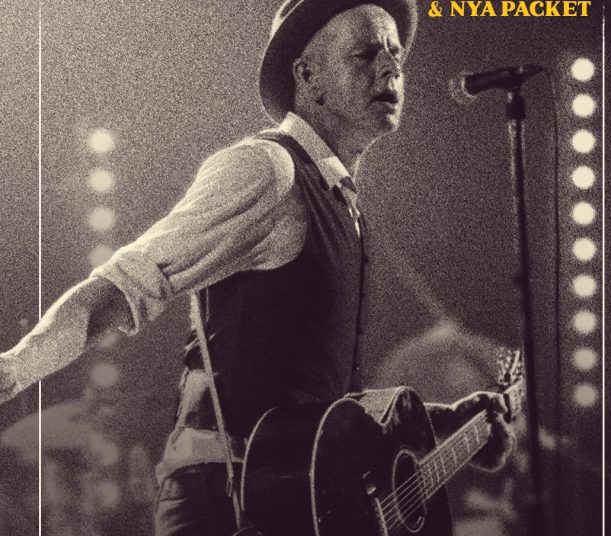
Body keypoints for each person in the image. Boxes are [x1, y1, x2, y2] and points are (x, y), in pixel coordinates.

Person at [0, 1, 516, 534]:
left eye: (396, 55)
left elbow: (317, 409)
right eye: (365, 54)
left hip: (294, 501)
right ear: (308, 76)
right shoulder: (269, 170)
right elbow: (124, 285)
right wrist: (15, 367)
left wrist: (439, 422)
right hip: (229, 503)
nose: (390, 68)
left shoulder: (343, 203)